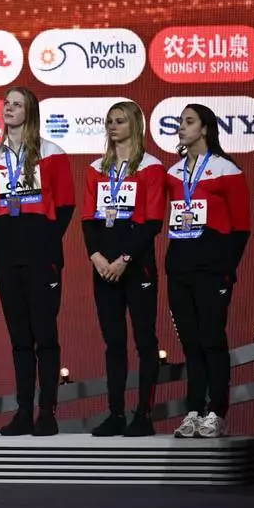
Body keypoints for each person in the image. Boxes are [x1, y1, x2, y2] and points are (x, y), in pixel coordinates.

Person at [0, 87, 74, 437]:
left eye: (17, 105)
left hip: (42, 256)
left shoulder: (52, 154)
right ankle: (23, 410)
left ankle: (47, 411)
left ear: (30, 112)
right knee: (19, 338)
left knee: (45, 336)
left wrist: (44, 244)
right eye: (6, 104)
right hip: (7, 254)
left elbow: (65, 205)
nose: (9, 109)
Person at [165, 103, 250, 439]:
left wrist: (225, 268)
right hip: (180, 268)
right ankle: (193, 410)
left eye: (189, 122)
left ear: (205, 129)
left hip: (213, 269)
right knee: (191, 344)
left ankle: (217, 412)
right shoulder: (173, 174)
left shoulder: (226, 169)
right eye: (180, 122)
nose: (182, 128)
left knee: (212, 341)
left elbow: (241, 227)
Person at [82, 101, 165, 437]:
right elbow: (88, 218)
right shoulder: (96, 168)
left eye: (119, 121)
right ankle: (115, 413)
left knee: (144, 340)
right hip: (104, 267)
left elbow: (153, 221)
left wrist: (124, 259)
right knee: (113, 342)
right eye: (109, 122)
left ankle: (143, 415)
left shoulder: (151, 166)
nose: (112, 127)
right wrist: (97, 257)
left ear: (134, 124)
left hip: (136, 265)